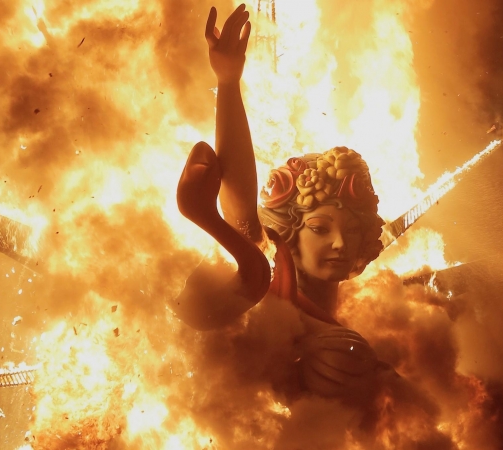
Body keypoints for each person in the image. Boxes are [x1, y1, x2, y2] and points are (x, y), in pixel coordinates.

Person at [174, 3, 391, 407]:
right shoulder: (273, 283)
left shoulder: (352, 330)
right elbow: (240, 205)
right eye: (320, 228)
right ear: (290, 231)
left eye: (352, 230)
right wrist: (227, 82)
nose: (340, 243)